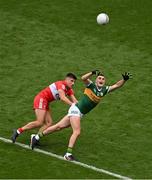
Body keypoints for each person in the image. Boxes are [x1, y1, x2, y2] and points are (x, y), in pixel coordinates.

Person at [31, 70, 131, 161]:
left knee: (58, 127)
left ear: (104, 82)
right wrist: (92, 72)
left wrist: (124, 80)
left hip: (79, 113)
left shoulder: (105, 90)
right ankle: (68, 154)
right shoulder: (91, 85)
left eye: (103, 79)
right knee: (77, 131)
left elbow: (117, 85)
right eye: (99, 78)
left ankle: (36, 137)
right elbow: (83, 78)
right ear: (96, 81)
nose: (101, 80)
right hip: (76, 110)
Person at [11, 73, 78, 143]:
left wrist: (81, 107)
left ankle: (35, 138)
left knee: (48, 123)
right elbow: (63, 98)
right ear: (66, 80)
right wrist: (72, 105)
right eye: (71, 81)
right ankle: (18, 131)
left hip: (45, 102)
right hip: (41, 99)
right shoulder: (61, 84)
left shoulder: (69, 90)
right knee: (39, 122)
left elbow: (75, 101)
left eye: (74, 82)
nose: (73, 83)